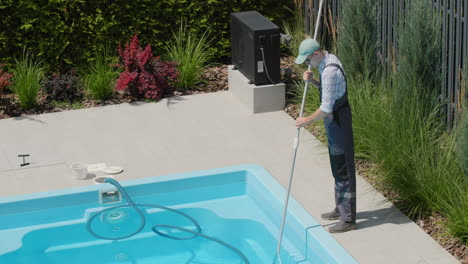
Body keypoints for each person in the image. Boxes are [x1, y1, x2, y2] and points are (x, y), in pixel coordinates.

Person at [294, 38, 357, 233]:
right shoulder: (327, 61)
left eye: (307, 60)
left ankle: (348, 219)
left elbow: (326, 107)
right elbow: (329, 91)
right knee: (337, 166)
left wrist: (306, 120)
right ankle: (340, 207)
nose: (307, 64)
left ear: (316, 54)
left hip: (338, 120)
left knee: (343, 168)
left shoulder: (329, 70)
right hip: (333, 119)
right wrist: (312, 81)